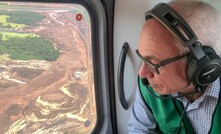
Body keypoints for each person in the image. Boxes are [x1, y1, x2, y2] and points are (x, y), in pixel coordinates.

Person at [128, 0, 221, 134]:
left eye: (153, 63)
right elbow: (138, 129)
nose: (142, 73)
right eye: (142, 58)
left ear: (199, 64)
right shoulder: (149, 85)